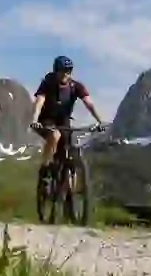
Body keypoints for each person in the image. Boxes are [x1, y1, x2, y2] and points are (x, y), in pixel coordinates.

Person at [30, 55, 105, 186]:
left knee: (68, 149)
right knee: (54, 135)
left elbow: (89, 103)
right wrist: (34, 119)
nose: (66, 74)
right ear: (56, 71)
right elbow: (39, 101)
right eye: (63, 70)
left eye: (69, 70)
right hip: (46, 119)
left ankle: (67, 188)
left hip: (63, 120)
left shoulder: (76, 86)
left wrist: (99, 121)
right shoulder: (48, 84)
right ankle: (45, 169)